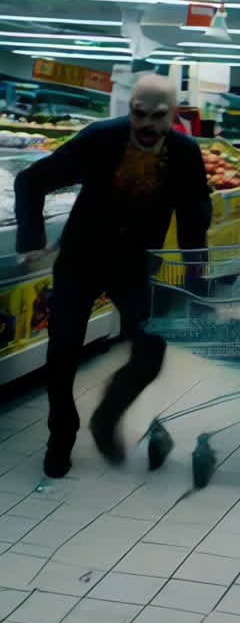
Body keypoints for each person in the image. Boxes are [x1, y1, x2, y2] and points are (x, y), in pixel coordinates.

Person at [15, 74, 211, 478]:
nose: (147, 124)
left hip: (135, 266)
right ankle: (61, 435)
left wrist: (197, 280)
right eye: (139, 113)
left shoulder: (185, 152)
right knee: (62, 353)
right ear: (130, 108)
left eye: (158, 116)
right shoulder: (100, 138)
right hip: (80, 258)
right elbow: (31, 180)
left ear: (173, 115)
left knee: (150, 352)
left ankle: (106, 416)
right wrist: (31, 240)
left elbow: (194, 217)